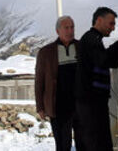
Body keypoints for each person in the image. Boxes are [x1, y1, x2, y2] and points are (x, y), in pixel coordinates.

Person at [75, 6, 118, 151]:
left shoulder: (96, 40)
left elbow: (112, 62)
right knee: (95, 142)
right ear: (99, 20)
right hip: (89, 103)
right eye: (111, 23)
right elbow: (103, 60)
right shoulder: (90, 39)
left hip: (96, 102)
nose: (113, 28)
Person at [35, 15, 82, 151]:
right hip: (58, 106)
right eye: (66, 28)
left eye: (72, 27)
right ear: (57, 31)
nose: (70, 31)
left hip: (80, 105)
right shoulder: (46, 52)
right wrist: (40, 106)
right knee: (62, 145)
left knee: (84, 142)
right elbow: (39, 81)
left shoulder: (81, 48)